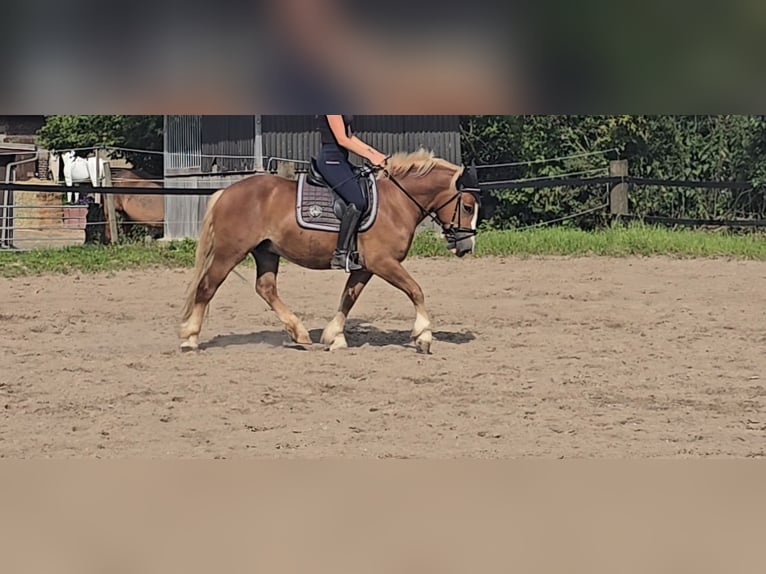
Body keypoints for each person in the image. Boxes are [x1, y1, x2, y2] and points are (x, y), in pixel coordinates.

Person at [316, 115, 388, 271]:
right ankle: (340, 254)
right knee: (358, 200)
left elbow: (350, 137)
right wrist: (369, 156)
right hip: (331, 160)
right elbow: (342, 139)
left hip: (340, 159)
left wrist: (376, 154)